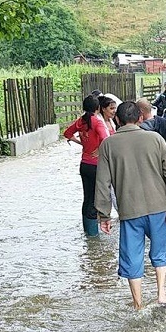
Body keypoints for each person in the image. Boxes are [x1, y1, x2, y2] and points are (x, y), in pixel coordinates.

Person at [95, 101, 166, 310]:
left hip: (129, 211)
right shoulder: (156, 139)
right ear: (141, 118)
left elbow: (102, 182)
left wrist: (103, 215)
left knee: (132, 257)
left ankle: (138, 305)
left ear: (117, 119)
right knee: (160, 252)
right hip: (158, 207)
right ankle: (161, 294)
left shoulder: (108, 144)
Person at [62, 95, 111, 236]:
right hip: (96, 166)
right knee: (95, 200)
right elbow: (106, 139)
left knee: (87, 198)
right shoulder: (97, 122)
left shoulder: (80, 121)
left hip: (84, 165)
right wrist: (99, 150)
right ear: (98, 108)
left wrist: (81, 143)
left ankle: (87, 233)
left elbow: (67, 133)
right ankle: (93, 235)